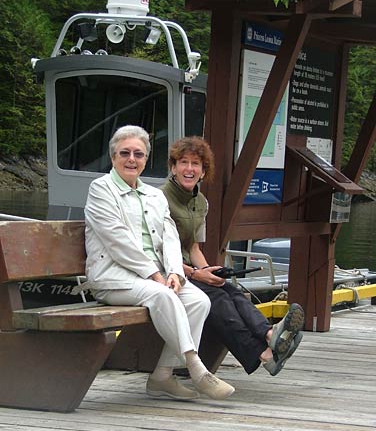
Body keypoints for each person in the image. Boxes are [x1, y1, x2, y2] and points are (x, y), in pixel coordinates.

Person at [83, 126, 235, 401]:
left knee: (198, 301)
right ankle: (196, 368)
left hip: (156, 278)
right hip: (113, 277)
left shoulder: (154, 195)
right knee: (163, 295)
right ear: (113, 156)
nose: (132, 159)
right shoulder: (100, 190)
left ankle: (162, 377)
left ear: (145, 159)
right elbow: (117, 240)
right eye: (125, 153)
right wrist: (155, 274)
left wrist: (176, 272)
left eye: (138, 154)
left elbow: (171, 238)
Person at [161, 136, 304, 377]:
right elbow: (157, 253)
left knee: (230, 289)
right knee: (218, 298)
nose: (189, 169)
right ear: (173, 167)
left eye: (196, 164)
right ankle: (265, 353)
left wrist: (210, 272)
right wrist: (197, 274)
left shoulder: (200, 202)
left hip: (189, 271)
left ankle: (270, 335)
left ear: (203, 171)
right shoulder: (159, 199)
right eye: (183, 162)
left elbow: (193, 248)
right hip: (167, 272)